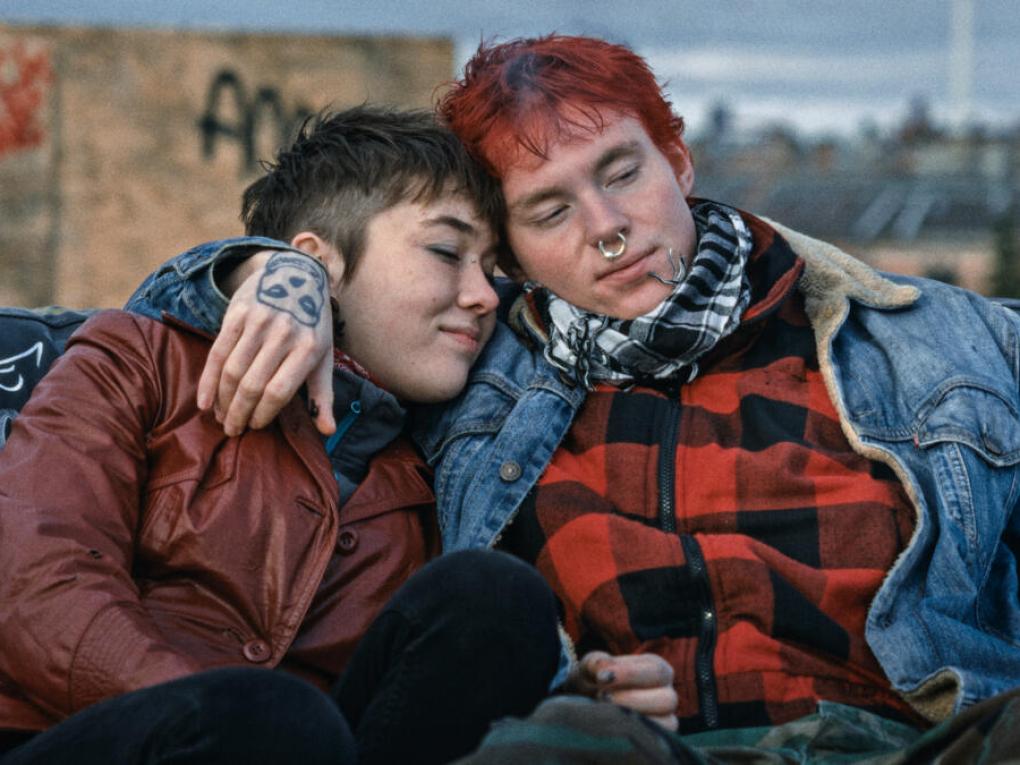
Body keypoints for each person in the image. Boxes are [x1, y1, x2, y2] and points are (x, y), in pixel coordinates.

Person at [128, 34, 1020, 751]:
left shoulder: (935, 338)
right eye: (550, 211)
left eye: (623, 172)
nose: (607, 230)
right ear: (509, 252)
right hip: (623, 747)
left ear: (679, 161)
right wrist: (277, 273)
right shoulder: (476, 370)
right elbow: (145, 322)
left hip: (924, 738)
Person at [0, 106, 564, 765]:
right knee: (276, 720)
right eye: (446, 252)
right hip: (81, 737)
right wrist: (222, 714)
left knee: (495, 599)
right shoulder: (142, 356)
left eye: (491, 270)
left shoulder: (440, 479)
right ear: (314, 264)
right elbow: (36, 582)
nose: (484, 296)